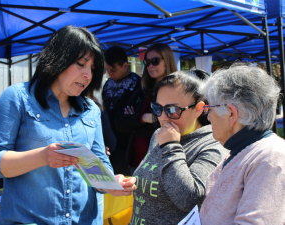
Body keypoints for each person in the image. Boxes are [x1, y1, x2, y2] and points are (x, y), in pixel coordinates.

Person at [0, 25, 136, 225]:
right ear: (58, 58)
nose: (88, 75)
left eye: (92, 68)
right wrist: (41, 156)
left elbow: (98, 162)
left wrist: (112, 184)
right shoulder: (17, 98)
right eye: (81, 64)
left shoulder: (91, 109)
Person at [129, 71, 227, 225]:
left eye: (173, 110)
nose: (163, 117)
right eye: (158, 108)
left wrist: (170, 146)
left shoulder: (212, 145)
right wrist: (127, 183)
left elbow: (190, 199)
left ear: (199, 109)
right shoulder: (158, 135)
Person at [199, 64, 285, 224]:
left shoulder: (270, 159)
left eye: (209, 108)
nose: (208, 117)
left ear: (231, 114)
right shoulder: (243, 150)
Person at [116, 43, 177, 175]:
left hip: (160, 164)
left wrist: (133, 123)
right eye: (147, 62)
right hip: (135, 163)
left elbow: (162, 126)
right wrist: (143, 117)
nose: (150, 66)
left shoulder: (175, 92)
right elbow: (120, 122)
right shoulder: (142, 91)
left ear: (167, 61)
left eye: (155, 61)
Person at [102, 46, 141, 175]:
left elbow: (136, 116)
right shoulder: (108, 84)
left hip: (127, 145)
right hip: (109, 143)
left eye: (113, 70)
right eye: (107, 70)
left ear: (125, 65)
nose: (110, 74)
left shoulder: (138, 84)